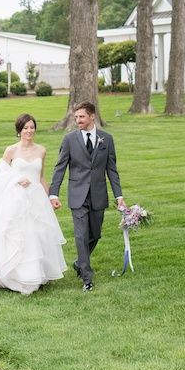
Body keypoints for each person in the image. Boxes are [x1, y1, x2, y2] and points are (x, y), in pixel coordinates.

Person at [0, 113, 67, 295]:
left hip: (36, 200)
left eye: (32, 127)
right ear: (19, 131)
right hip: (16, 200)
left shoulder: (41, 150)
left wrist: (51, 197)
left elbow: (41, 177)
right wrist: (17, 178)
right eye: (25, 128)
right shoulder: (11, 150)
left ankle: (34, 274)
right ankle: (6, 275)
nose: (29, 131)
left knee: (36, 235)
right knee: (13, 235)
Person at [49, 101, 127, 291]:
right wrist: (53, 193)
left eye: (81, 117)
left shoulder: (106, 139)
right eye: (76, 117)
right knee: (81, 235)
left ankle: (79, 262)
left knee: (95, 234)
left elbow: (112, 170)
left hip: (98, 195)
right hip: (77, 195)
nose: (78, 121)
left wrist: (119, 197)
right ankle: (86, 277)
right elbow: (60, 167)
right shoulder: (69, 140)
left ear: (92, 116)